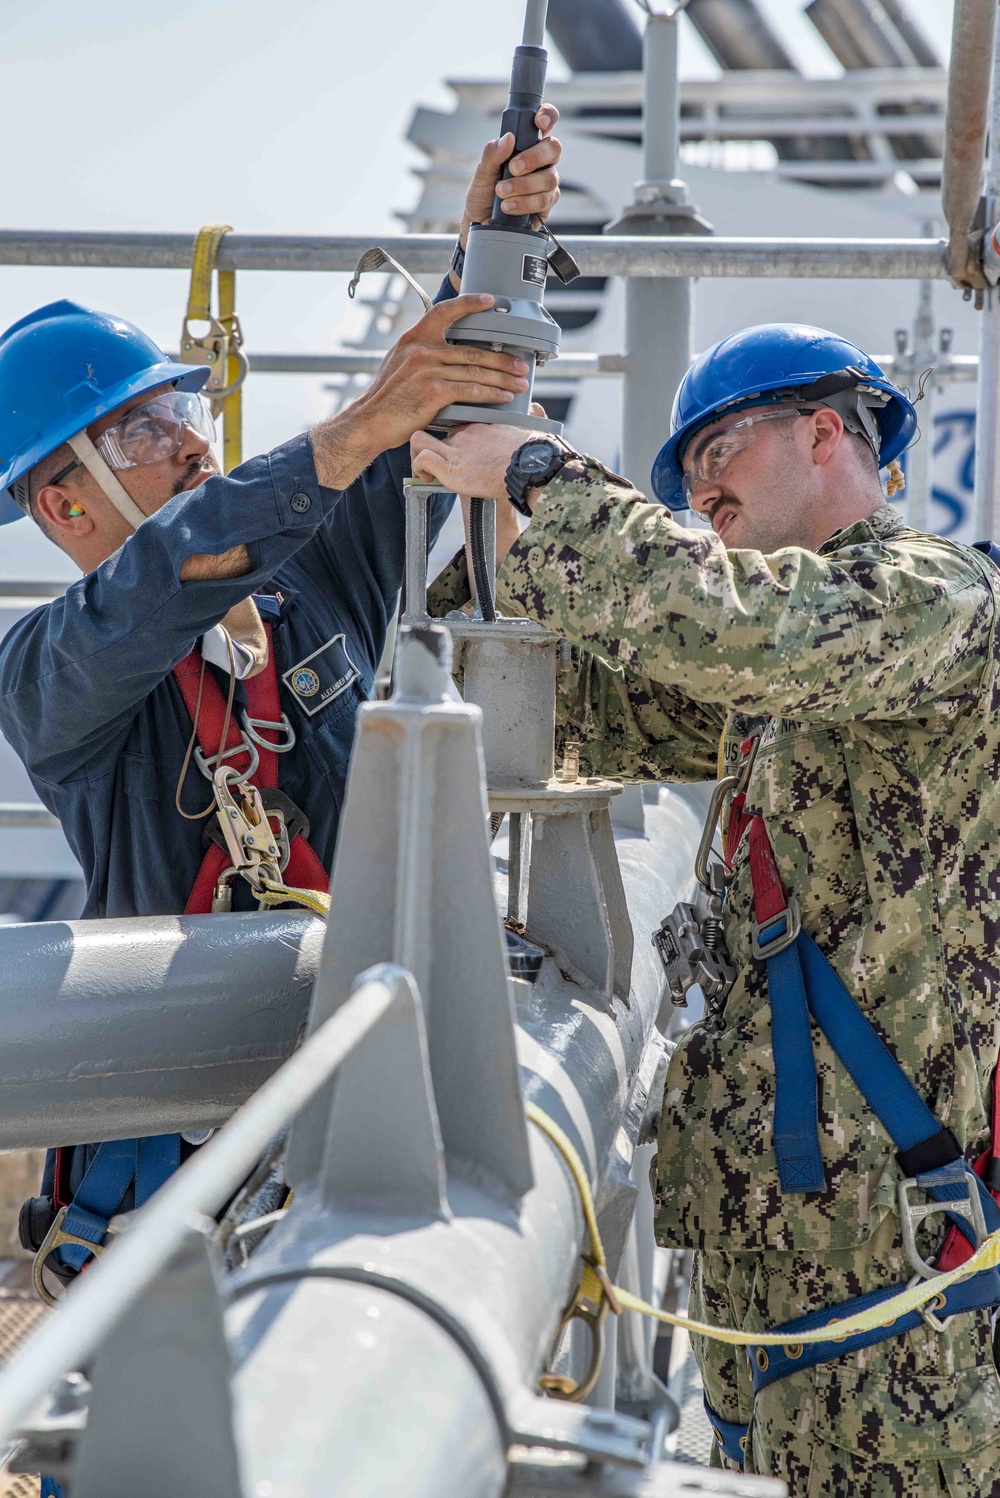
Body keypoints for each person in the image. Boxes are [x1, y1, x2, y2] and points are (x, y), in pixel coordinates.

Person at [412, 323, 1000, 1497]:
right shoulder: (777, 692)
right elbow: (581, 702)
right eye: (682, 469)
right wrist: (470, 533)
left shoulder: (935, 601)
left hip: (889, 1258)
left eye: (719, 447)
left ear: (826, 431)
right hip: (773, 1260)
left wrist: (540, 473)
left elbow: (726, 623)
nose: (696, 485)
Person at [0, 108, 563, 1329]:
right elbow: (165, 584)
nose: (193, 442)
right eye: (144, 429)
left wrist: (488, 246)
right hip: (174, 1170)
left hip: (359, 1107)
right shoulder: (55, 671)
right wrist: (356, 420)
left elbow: (411, 435)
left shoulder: (304, 592)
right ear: (62, 498)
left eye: (182, 413)